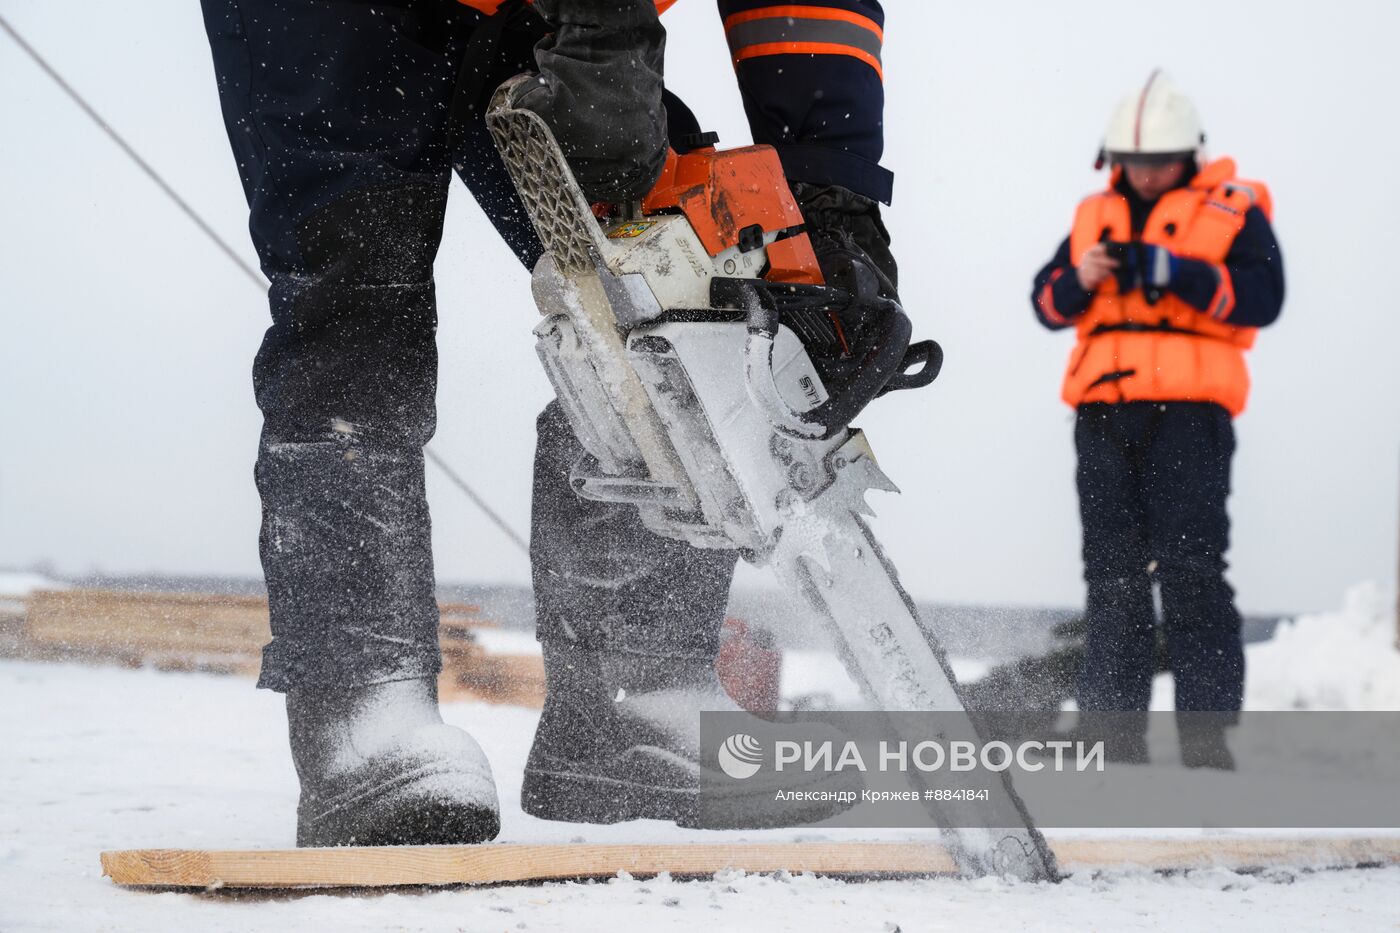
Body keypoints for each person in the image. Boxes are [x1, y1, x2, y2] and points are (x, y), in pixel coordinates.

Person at [198, 0, 896, 845]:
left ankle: (630, 705)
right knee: (356, 293)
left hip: (542, 15)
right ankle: (364, 700)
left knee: (672, 272)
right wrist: (605, 23)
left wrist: (832, 189)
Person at [1030, 71, 1284, 768]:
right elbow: (1046, 303)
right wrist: (1077, 279)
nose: (1143, 175)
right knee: (1111, 574)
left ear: (1190, 155)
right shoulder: (1091, 217)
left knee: (1191, 567)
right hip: (1103, 414)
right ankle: (1112, 740)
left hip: (1189, 418)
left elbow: (1264, 297)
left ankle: (1206, 742)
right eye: (1131, 162)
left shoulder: (1235, 208)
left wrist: (1173, 270)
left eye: (1157, 161)